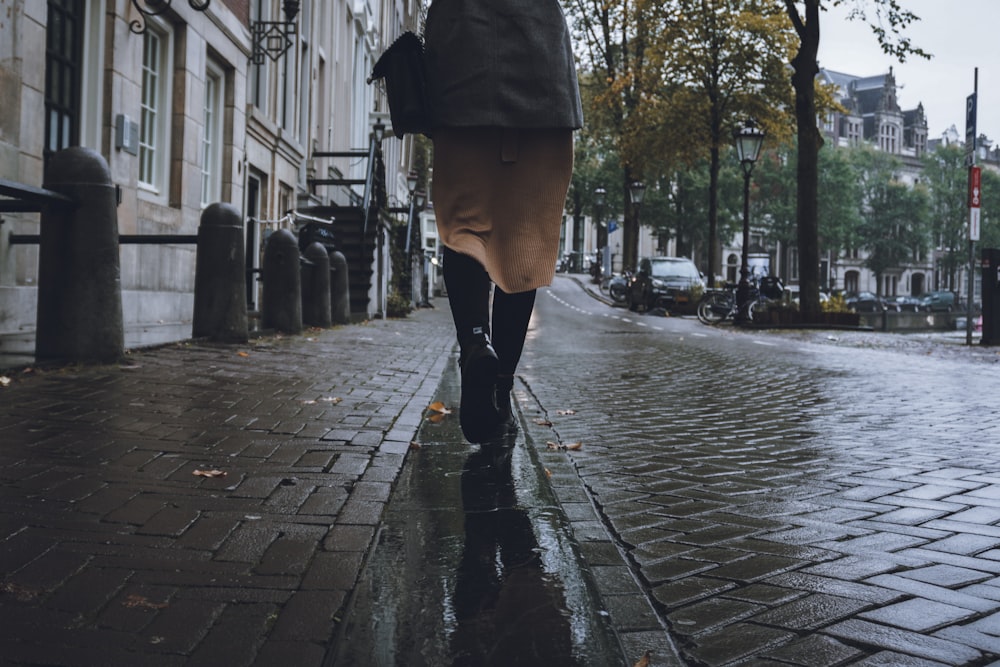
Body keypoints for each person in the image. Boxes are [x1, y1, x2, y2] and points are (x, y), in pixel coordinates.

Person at [424, 0, 583, 444]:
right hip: (542, 78)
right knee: (525, 238)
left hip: (461, 75)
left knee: (463, 231)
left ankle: (475, 345)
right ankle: (501, 389)